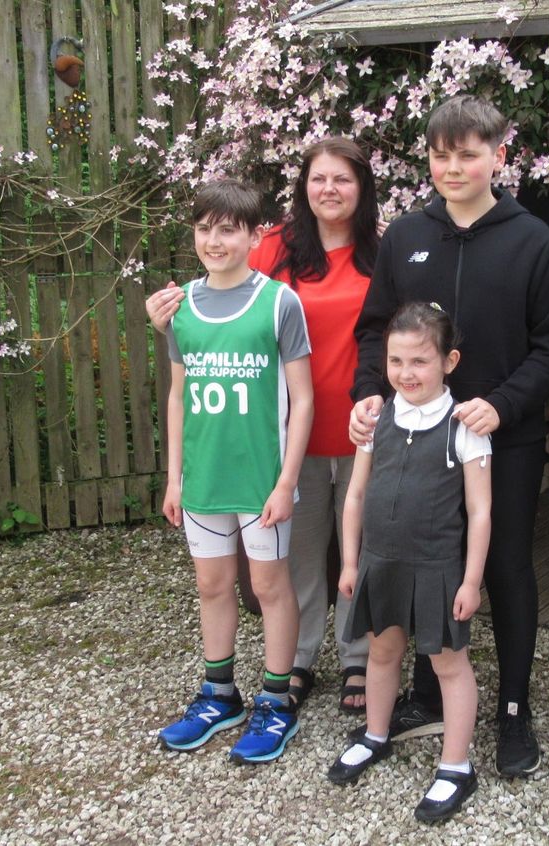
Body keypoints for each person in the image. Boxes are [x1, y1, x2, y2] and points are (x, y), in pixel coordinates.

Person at [349, 94, 549, 778]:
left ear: (499, 156)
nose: (453, 167)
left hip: (505, 437)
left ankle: (512, 708)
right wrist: (366, 397)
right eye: (441, 155)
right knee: (420, 560)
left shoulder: (532, 239)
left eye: (468, 154)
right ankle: (425, 690)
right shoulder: (406, 235)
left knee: (502, 566)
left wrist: (500, 406)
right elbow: (373, 331)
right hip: (414, 440)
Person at [147, 138, 379, 713]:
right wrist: (167, 322)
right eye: (318, 177)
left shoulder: (385, 251)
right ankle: (296, 662)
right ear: (303, 186)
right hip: (277, 441)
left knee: (360, 550)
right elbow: (218, 305)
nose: (329, 189)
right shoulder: (274, 245)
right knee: (293, 561)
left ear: (362, 188)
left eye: (343, 179)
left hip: (358, 429)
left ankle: (356, 657)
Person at [157, 178, 313, 764]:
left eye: (228, 229)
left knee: (269, 587)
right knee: (212, 585)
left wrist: (285, 481)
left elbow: (303, 398)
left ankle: (277, 701)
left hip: (262, 478)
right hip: (204, 476)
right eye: (204, 228)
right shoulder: (180, 307)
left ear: (254, 235)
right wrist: (174, 477)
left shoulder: (279, 302)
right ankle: (218, 693)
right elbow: (177, 397)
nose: (214, 240)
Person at [328, 302, 491, 822]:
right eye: (396, 361)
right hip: (382, 561)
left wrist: (472, 580)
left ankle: (456, 766)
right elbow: (354, 496)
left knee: (448, 663)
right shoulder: (377, 419)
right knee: (381, 651)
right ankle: (376, 734)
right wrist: (351, 563)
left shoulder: (464, 425)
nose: (406, 373)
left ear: (449, 361)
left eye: (420, 361)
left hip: (438, 566)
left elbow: (480, 511)